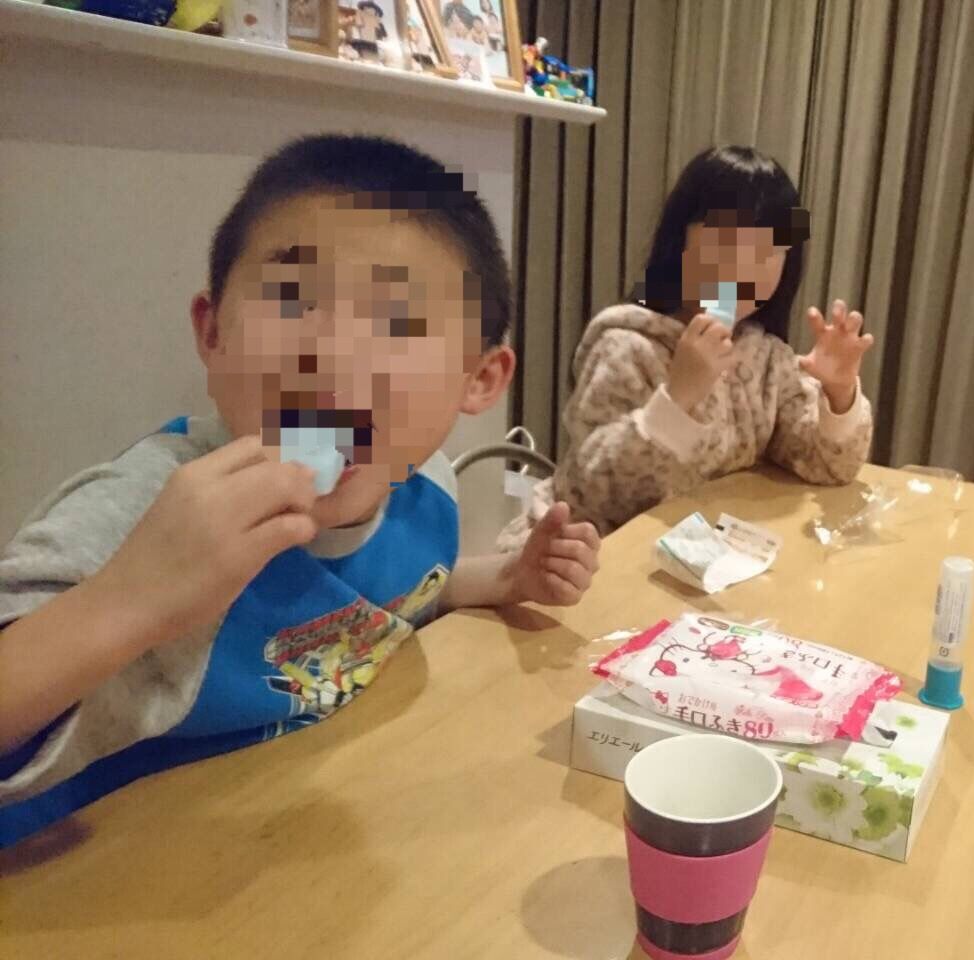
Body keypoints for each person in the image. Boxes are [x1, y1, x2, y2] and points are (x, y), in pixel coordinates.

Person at [0, 135, 601, 846]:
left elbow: (391, 597)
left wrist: (507, 578)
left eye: (398, 320)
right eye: (293, 298)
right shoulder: (147, 513)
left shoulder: (423, 487)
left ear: (479, 379)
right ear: (213, 332)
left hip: (295, 837)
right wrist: (129, 598)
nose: (333, 351)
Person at [514, 145, 874, 538]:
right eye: (727, 242)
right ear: (678, 241)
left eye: (767, 251)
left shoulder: (767, 357)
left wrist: (839, 393)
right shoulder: (627, 347)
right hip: (582, 556)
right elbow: (596, 495)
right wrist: (677, 398)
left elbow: (823, 464)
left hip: (704, 554)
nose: (743, 267)